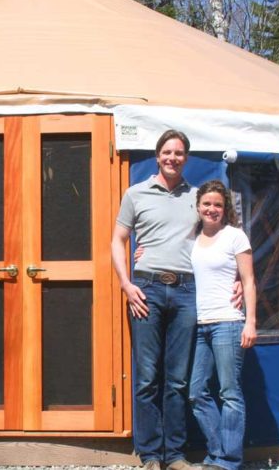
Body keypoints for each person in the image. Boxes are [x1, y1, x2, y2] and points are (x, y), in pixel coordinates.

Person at [111, 129, 200, 470]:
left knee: (177, 378)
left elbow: (221, 238)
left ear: (186, 158)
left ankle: (175, 454)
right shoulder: (136, 193)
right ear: (157, 155)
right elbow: (117, 240)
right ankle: (150, 455)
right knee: (148, 376)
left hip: (186, 290)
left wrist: (239, 277)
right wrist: (126, 283)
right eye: (167, 152)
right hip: (145, 289)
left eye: (178, 153)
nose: (172, 158)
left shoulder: (198, 196)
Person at [188, 180, 256, 470]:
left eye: (217, 204)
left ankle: (228, 461)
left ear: (225, 208)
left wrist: (251, 322)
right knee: (196, 392)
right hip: (201, 324)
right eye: (207, 204)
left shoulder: (235, 236)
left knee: (229, 392)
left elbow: (249, 280)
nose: (212, 209)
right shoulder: (192, 237)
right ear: (198, 206)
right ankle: (218, 452)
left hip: (228, 322)